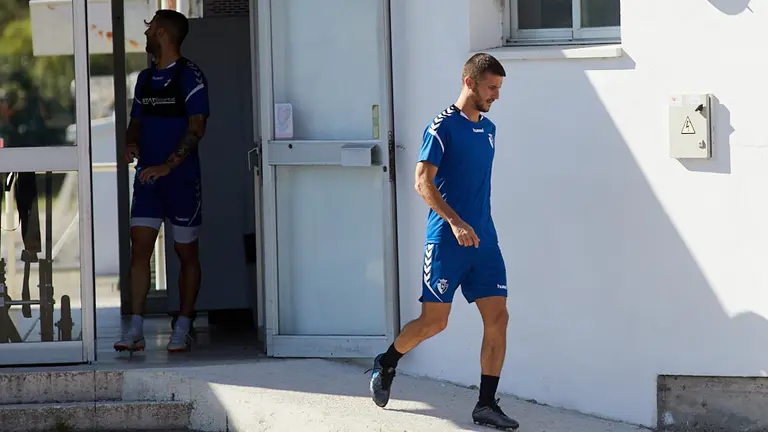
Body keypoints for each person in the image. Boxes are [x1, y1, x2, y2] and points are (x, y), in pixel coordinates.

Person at [368, 53, 519, 430]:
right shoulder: (441, 127)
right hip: (447, 242)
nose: (496, 95)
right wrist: (455, 222)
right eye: (491, 87)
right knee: (434, 323)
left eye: (499, 88)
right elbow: (422, 182)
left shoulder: (489, 130)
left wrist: (475, 227)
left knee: (498, 318)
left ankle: (485, 404)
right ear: (469, 82)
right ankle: (387, 363)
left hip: (484, 243)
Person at [113, 9, 209, 353]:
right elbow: (136, 121)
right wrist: (131, 143)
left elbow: (197, 127)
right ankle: (135, 328)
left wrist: (170, 165)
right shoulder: (144, 78)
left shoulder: (190, 75)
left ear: (163, 34)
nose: (146, 34)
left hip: (181, 180)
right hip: (147, 179)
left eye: (150, 28)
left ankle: (183, 324)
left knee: (186, 252)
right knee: (139, 248)